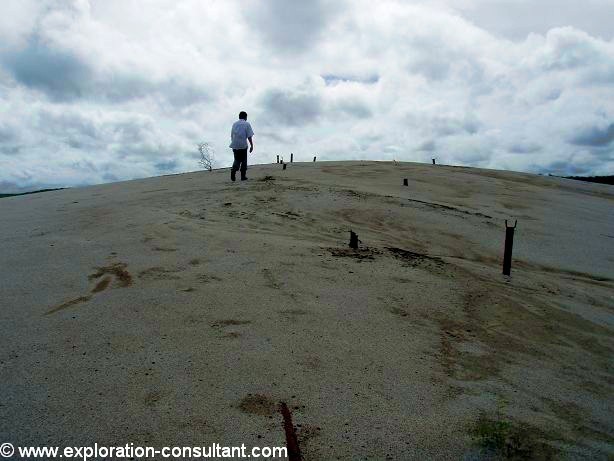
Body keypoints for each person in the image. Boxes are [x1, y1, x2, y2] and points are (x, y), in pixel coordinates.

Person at [229, 111, 254, 181]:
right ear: (245, 117)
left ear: (239, 117)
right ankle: (243, 176)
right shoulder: (247, 124)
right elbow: (249, 136)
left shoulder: (234, 124)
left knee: (237, 159)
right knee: (244, 160)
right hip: (243, 145)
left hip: (234, 144)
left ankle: (233, 170)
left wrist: (234, 143)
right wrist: (252, 145)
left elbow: (231, 135)